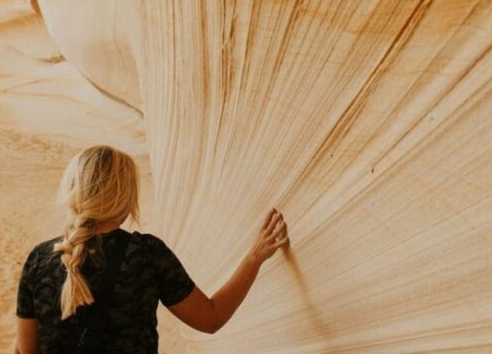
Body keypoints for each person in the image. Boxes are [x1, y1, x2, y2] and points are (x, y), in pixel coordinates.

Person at [15, 145, 289, 353]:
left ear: (73, 191)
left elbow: (25, 350)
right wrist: (254, 258)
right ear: (125, 197)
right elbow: (211, 319)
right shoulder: (146, 254)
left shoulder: (39, 260)